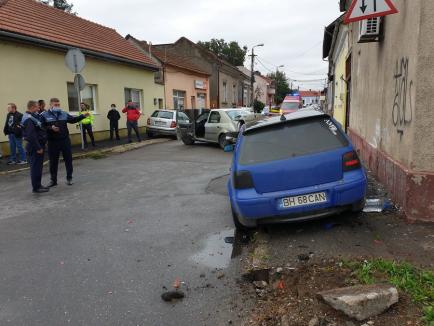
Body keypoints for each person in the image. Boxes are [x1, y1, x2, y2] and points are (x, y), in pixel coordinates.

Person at [40, 98, 89, 187]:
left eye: (59, 105)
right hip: (52, 142)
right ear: (50, 105)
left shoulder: (63, 113)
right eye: (56, 105)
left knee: (68, 160)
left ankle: (69, 178)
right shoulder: (44, 115)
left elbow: (73, 120)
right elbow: (42, 126)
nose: (58, 106)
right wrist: (51, 128)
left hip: (64, 140)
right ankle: (53, 180)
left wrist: (82, 116)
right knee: (53, 162)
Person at [21, 100, 49, 193]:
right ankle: (36, 187)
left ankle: (38, 185)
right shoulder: (28, 119)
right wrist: (38, 148)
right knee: (35, 167)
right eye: (37, 107)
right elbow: (31, 135)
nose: (38, 108)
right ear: (32, 107)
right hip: (35, 147)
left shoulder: (31, 116)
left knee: (38, 166)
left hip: (36, 145)